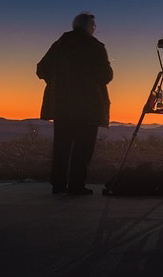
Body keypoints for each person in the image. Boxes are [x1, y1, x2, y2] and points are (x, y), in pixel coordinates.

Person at [37, 12, 113, 196]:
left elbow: (41, 69)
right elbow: (106, 76)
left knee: (61, 146)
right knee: (83, 148)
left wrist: (55, 82)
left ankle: (58, 184)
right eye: (94, 25)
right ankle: (76, 185)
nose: (95, 28)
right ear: (88, 26)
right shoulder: (95, 47)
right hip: (88, 105)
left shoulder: (59, 45)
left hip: (62, 104)